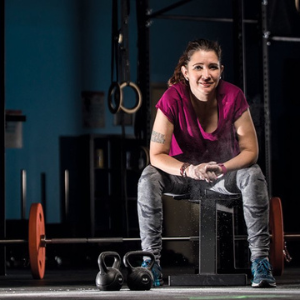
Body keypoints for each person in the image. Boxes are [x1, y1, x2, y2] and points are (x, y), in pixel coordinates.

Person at [137, 38, 276, 288]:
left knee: (253, 173)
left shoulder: (233, 96)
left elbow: (251, 151)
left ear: (221, 71)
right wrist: (189, 169)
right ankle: (151, 263)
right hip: (183, 178)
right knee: (149, 176)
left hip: (222, 177)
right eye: (198, 67)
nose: (206, 74)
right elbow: (156, 154)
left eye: (212, 67)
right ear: (185, 72)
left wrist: (222, 168)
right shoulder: (172, 98)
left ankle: (260, 262)